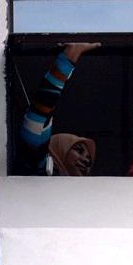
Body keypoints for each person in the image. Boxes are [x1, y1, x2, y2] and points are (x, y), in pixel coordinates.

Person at [19, 42, 100, 176]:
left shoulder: (87, 196)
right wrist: (69, 58)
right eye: (79, 150)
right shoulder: (38, 167)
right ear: (56, 151)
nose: (86, 161)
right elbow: (39, 115)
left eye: (89, 160)